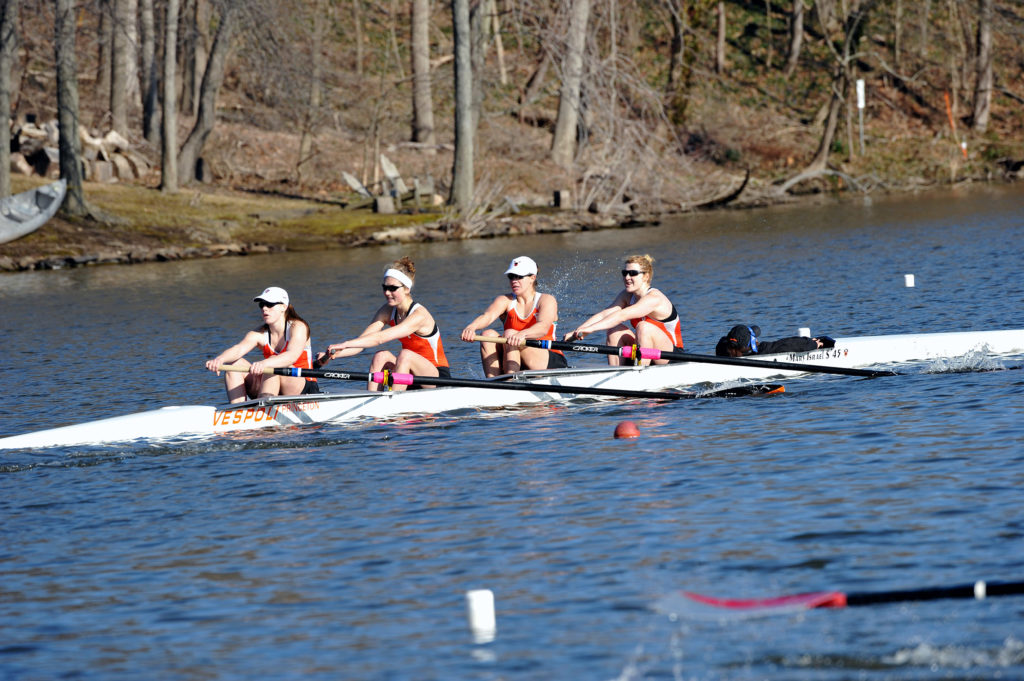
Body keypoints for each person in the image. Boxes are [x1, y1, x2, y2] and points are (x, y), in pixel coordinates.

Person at [319, 257, 449, 391]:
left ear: (406, 289)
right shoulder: (387, 311)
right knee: (380, 356)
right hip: (408, 374)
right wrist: (331, 354)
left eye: (392, 288)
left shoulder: (419, 315)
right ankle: (372, 401)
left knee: (405, 354)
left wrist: (345, 344)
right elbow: (361, 344)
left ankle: (395, 403)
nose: (387, 293)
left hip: (436, 377)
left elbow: (379, 338)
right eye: (385, 287)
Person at [205, 286, 320, 403]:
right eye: (262, 305)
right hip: (271, 382)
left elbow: (291, 356)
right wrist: (219, 360)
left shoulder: (298, 327)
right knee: (234, 364)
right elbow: (238, 349)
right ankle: (238, 409)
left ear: (283, 307)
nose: (264, 308)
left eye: (270, 304)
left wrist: (264, 363)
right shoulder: (259, 333)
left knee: (272, 363)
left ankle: (263, 407)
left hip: (303, 387)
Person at [563, 254, 683, 366]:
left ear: (646, 276)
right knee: (614, 329)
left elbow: (621, 316)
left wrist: (589, 330)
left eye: (633, 273)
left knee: (643, 327)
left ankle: (639, 372)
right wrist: (577, 331)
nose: (627, 277)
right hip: (645, 352)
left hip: (671, 355)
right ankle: (616, 371)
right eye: (624, 273)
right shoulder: (626, 295)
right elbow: (605, 314)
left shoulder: (654, 298)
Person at [460, 255, 567, 377]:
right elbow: (487, 316)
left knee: (510, 333)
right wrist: (471, 327)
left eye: (519, 277)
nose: (514, 281)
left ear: (532, 278)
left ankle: (511, 382)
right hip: (515, 356)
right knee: (487, 335)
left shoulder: (546, 300)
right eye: (511, 276)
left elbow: (542, 328)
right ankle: (494, 383)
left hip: (548, 359)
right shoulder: (504, 300)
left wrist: (521, 334)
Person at [714, 325, 836, 357]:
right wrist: (812, 343)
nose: (757, 341)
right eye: (754, 340)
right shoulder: (762, 351)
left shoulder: (722, 347)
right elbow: (787, 345)